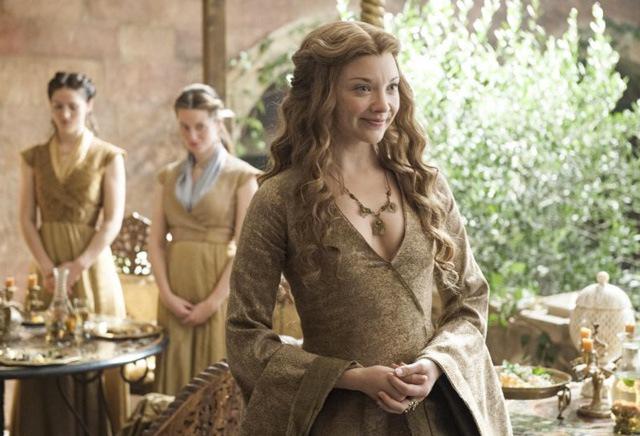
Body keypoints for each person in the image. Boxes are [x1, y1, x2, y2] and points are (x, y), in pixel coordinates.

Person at [226, 21, 512, 435]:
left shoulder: (424, 185)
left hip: (432, 417)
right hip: (336, 421)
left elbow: (470, 299)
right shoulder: (279, 200)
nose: (383, 104)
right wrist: (351, 377)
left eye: (391, 87)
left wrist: (435, 363)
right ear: (321, 95)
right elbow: (244, 334)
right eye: (362, 88)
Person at [15, 71, 128, 435]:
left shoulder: (107, 155)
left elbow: (112, 220)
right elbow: (26, 218)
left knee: (93, 351)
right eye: (57, 106)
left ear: (89, 106)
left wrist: (78, 265)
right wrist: (48, 268)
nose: (64, 114)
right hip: (46, 264)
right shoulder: (33, 157)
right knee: (40, 350)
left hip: (91, 266)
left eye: (72, 107)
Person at [149, 84, 260, 395]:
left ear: (218, 124)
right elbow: (155, 241)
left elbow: (246, 249)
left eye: (200, 126)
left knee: (213, 383)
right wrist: (166, 295)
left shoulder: (241, 176)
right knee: (173, 383)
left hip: (218, 293)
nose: (192, 135)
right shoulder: (167, 176)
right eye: (184, 127)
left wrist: (212, 302)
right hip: (175, 292)